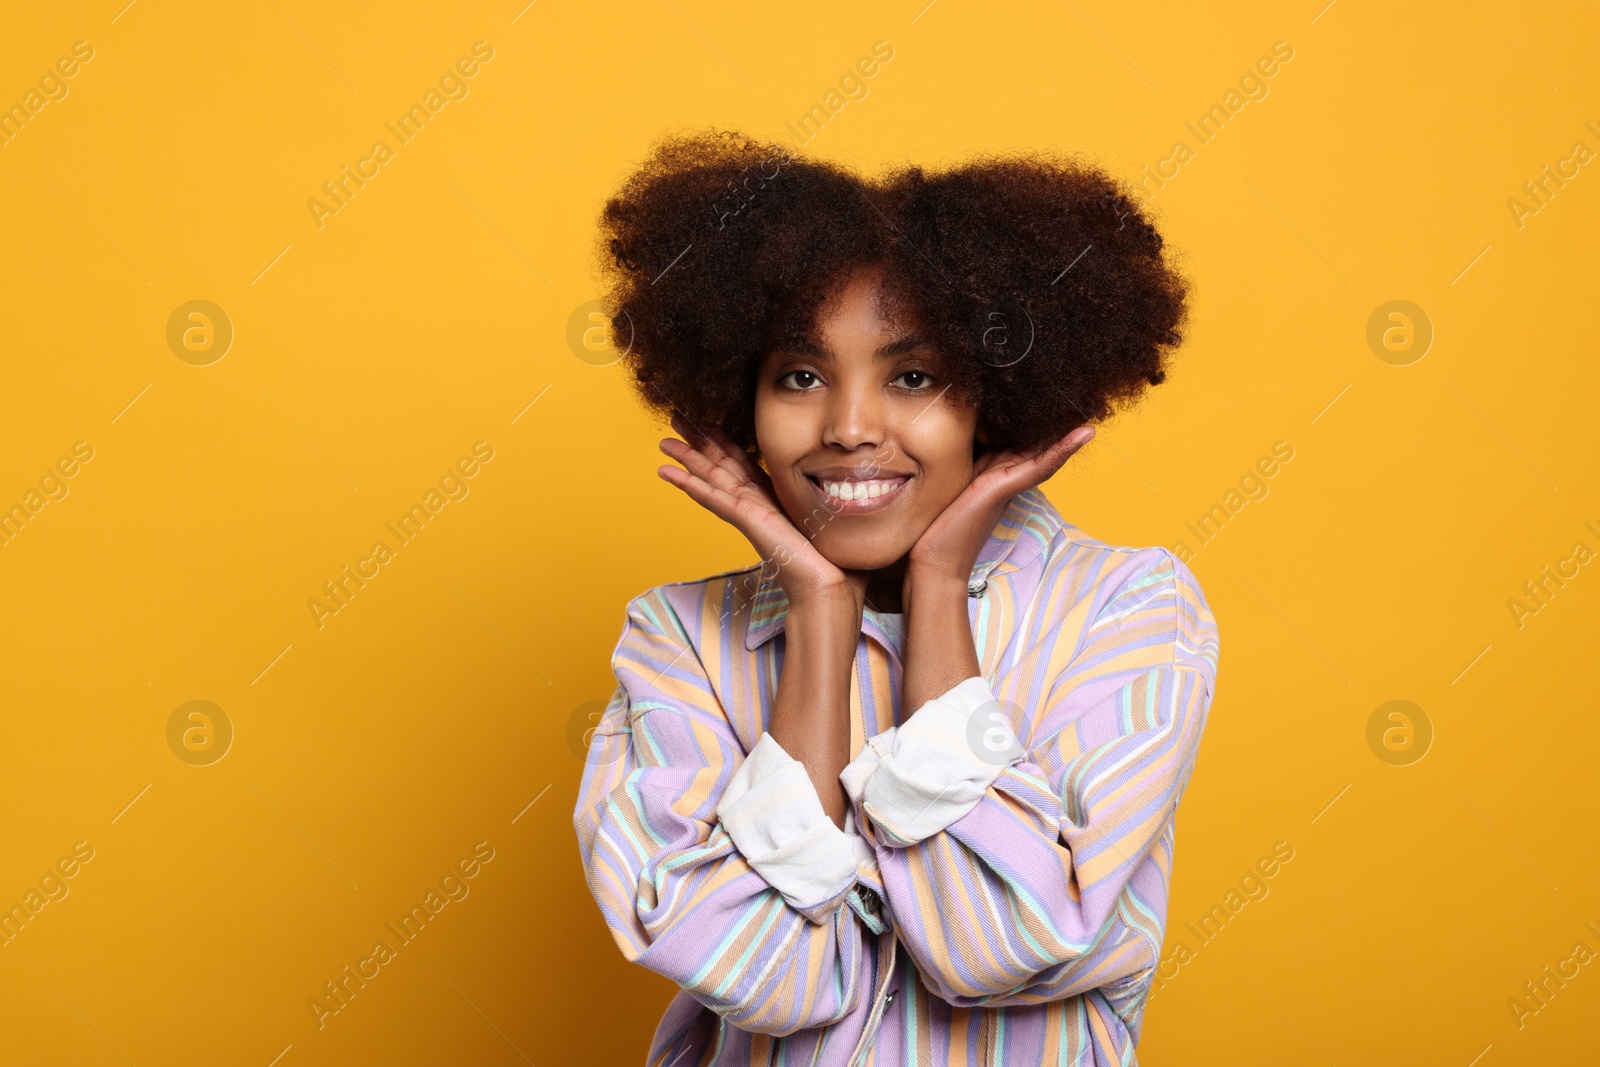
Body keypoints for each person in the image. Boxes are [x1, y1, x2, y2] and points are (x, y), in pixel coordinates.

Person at [573, 129, 1218, 1066]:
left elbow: (1001, 944)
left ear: (993, 397)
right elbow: (771, 978)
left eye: (911, 377)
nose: (849, 427)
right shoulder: (678, 639)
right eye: (800, 376)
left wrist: (940, 585)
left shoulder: (1126, 609)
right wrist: (819, 615)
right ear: (740, 399)